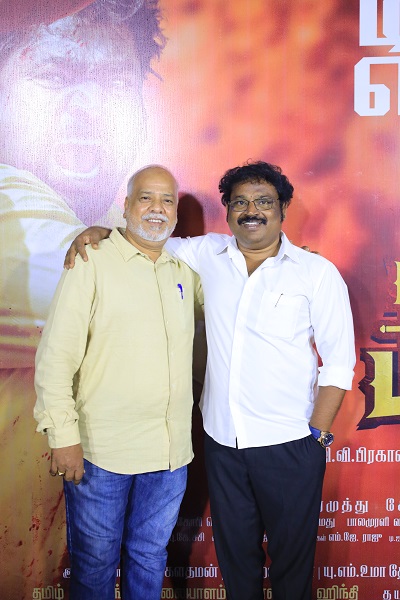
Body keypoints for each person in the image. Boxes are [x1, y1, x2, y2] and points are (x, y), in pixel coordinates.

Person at [66, 160, 355, 600]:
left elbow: (338, 363)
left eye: (263, 202)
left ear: (283, 209)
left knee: (292, 568)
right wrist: (101, 232)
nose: (251, 211)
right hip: (223, 444)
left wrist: (316, 436)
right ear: (228, 211)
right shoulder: (204, 254)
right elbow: (146, 236)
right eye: (240, 202)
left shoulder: (315, 273)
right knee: (236, 564)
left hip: (290, 443)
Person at [0, 1, 164, 592]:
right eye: (53, 75)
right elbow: (140, 308)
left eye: (114, 80)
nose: (87, 108)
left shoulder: (108, 228)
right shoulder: (9, 211)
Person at [34, 165, 202, 599]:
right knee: (94, 565)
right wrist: (62, 436)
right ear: (125, 206)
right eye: (146, 198)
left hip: (169, 456)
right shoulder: (92, 261)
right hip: (100, 454)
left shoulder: (185, 272)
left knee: (149, 558)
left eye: (167, 200)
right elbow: (56, 356)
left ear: (176, 214)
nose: (157, 208)